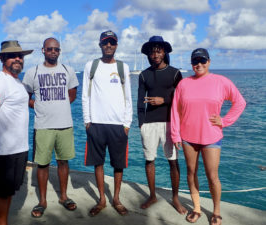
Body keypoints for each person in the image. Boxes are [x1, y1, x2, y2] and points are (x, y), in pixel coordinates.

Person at [171, 48, 246, 225]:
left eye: (202, 61)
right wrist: (175, 135)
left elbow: (240, 102)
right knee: (191, 172)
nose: (199, 64)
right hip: (188, 137)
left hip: (211, 136)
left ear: (209, 62)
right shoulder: (184, 84)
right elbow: (175, 110)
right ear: (191, 64)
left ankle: (216, 211)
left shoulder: (221, 82)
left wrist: (225, 120)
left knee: (212, 176)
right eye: (195, 61)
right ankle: (196, 208)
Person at [22, 37, 79, 218]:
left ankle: (64, 196)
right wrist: (38, 107)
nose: (53, 52)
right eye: (50, 49)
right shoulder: (33, 72)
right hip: (43, 125)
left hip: (65, 124)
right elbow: (26, 97)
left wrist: (59, 106)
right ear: (43, 50)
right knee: (43, 164)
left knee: (63, 161)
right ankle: (42, 201)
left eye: (56, 49)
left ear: (59, 51)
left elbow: (73, 94)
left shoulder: (68, 70)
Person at [0, 40, 33, 225]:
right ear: (3, 58)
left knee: (9, 192)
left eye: (20, 56)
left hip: (19, 148)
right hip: (5, 152)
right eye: (12, 55)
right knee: (2, 194)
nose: (17, 59)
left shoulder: (16, 81)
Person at [82, 30, 133, 216]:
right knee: (98, 163)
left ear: (117, 45)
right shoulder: (91, 66)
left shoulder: (123, 67)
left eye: (112, 42)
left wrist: (127, 124)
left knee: (118, 164)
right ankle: (102, 199)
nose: (108, 45)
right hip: (96, 123)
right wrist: (87, 121)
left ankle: (116, 199)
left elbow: (128, 97)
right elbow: (85, 95)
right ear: (100, 45)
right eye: (105, 42)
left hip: (118, 125)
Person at [137, 36, 187, 214]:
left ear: (164, 52)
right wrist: (141, 124)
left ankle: (175, 198)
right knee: (149, 160)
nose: (155, 54)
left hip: (169, 123)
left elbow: (182, 99)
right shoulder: (144, 75)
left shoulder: (174, 73)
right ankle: (152, 195)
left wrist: (163, 100)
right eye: (152, 51)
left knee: (173, 161)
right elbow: (139, 101)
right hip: (149, 124)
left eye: (158, 50)